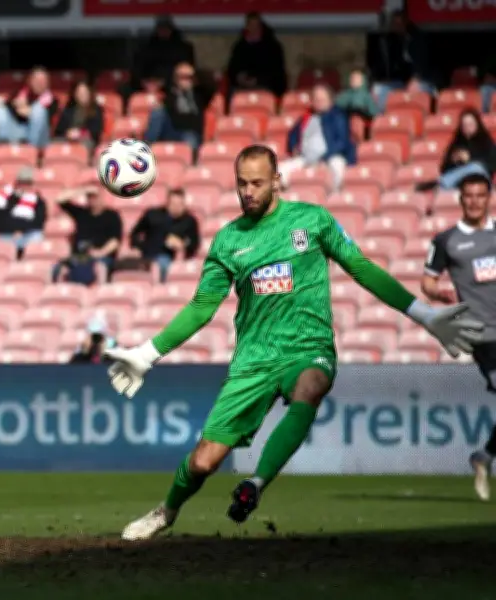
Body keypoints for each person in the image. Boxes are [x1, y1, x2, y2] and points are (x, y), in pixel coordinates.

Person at [106, 144, 483, 541]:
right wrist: (147, 354)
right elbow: (202, 308)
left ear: (276, 181)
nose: (247, 191)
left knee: (312, 385)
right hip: (253, 360)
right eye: (240, 184)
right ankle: (166, 511)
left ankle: (256, 483)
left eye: (256, 183)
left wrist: (423, 314)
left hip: (308, 346)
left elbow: (361, 268)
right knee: (203, 461)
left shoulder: (312, 220)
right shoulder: (228, 241)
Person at [422, 172, 496, 501]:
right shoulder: (447, 241)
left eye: (482, 195)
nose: (476, 201)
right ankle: (485, 457)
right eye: (470, 196)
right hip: (484, 336)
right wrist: (440, 296)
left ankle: (484, 457)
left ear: (489, 197)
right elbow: (427, 282)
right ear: (461, 199)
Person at [130, 188, 200, 282]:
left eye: (180, 204)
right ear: (167, 203)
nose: (177, 207)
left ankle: (160, 290)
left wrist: (182, 245)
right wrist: (138, 247)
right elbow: (135, 233)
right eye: (174, 204)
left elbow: (194, 244)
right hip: (147, 255)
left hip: (170, 257)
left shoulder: (189, 221)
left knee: (162, 263)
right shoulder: (153, 214)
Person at [0, 167, 46, 259]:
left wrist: (22, 230)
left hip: (24, 236)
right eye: (21, 182)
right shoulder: (6, 197)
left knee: (36, 236)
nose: (24, 186)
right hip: (2, 235)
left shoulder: (38, 201)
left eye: (27, 183)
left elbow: (38, 222)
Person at [0, 67, 57, 149]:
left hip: (41, 137)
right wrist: (19, 109)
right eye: (36, 80)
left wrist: (30, 112)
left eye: (43, 81)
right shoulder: (20, 94)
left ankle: (31, 150)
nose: (40, 83)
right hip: (20, 133)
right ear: (30, 81)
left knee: (38, 110)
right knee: (0, 108)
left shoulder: (53, 100)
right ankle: (4, 145)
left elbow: (47, 118)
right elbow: (9, 108)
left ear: (48, 83)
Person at [436, 110, 496, 191]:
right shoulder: (456, 143)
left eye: (470, 124)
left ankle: (443, 183)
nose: (468, 127)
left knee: (476, 167)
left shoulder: (486, 141)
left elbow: (492, 165)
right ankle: (442, 185)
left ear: (477, 124)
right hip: (459, 183)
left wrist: (469, 159)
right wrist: (453, 160)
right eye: (465, 125)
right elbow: (443, 168)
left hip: (480, 180)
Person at [53, 81, 104, 151]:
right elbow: (58, 131)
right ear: (75, 94)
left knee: (85, 145)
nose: (82, 95)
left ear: (89, 93)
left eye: (84, 92)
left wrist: (80, 133)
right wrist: (67, 133)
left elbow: (96, 131)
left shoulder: (96, 109)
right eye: (79, 92)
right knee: (53, 143)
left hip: (86, 140)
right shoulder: (68, 109)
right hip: (67, 139)